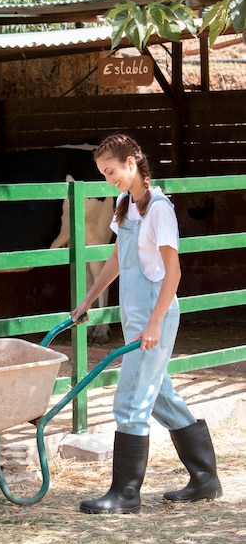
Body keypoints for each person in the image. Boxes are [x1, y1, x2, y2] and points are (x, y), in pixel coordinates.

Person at [71, 134, 222, 515]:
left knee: (131, 399)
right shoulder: (125, 204)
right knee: (160, 395)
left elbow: (173, 273)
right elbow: (118, 258)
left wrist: (154, 324)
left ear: (132, 164)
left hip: (156, 317)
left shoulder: (159, 209)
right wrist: (88, 299)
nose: (109, 181)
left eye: (111, 172)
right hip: (135, 317)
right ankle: (205, 479)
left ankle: (125, 495)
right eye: (103, 174)